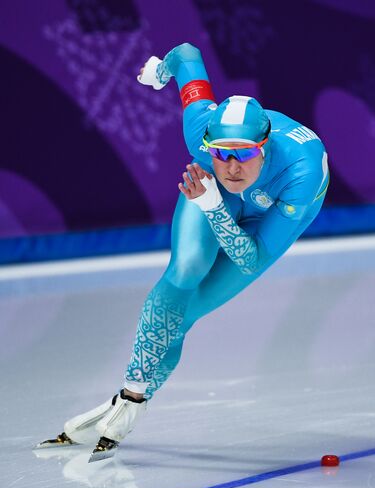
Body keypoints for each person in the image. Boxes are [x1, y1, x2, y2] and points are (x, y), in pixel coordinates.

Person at [37, 43, 329, 461]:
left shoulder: (301, 171)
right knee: (187, 268)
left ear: (263, 148)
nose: (231, 166)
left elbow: (251, 258)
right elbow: (188, 57)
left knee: (186, 315)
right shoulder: (201, 131)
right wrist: (160, 71)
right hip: (211, 194)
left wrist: (213, 205)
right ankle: (132, 396)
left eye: (243, 155)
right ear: (207, 143)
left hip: (273, 210)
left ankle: (126, 401)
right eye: (221, 153)